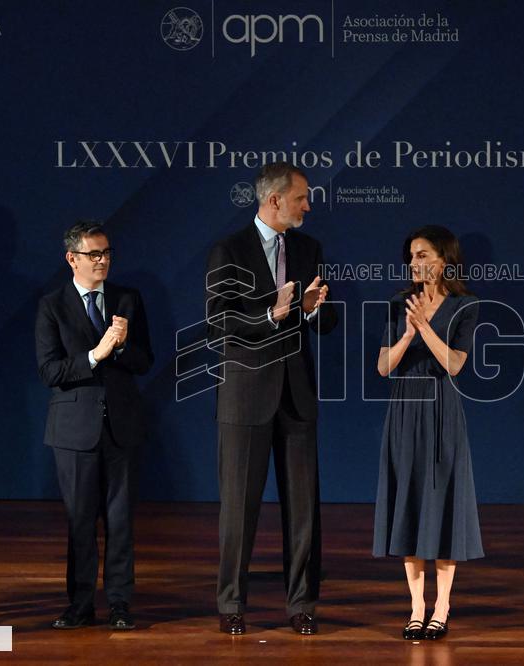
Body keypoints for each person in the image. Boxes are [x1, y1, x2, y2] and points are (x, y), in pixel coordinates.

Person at [206, 162, 337, 636]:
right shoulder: (230, 249)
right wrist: (270, 315)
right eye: (301, 198)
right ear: (275, 199)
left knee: (303, 509)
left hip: (296, 395)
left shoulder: (309, 248)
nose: (308, 206)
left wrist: (313, 311)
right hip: (245, 396)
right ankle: (231, 604)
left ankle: (302, 604)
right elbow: (217, 322)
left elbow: (326, 321)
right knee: (239, 508)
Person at [35, 221, 153, 631]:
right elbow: (49, 371)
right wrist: (94, 355)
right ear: (72, 258)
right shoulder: (52, 305)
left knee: (120, 522)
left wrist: (120, 349)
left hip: (122, 425)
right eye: (94, 254)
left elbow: (145, 360)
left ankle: (120, 603)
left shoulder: (127, 299)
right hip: (74, 429)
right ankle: (80, 604)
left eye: (106, 253)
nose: (102, 261)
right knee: (80, 521)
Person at [373, 225, 483, 641]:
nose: (414, 263)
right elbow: (383, 367)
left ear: (444, 259)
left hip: (442, 409)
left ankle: (442, 606)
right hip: (405, 408)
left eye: (423, 255)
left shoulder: (465, 305)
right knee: (410, 499)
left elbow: (454, 364)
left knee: (443, 501)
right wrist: (407, 332)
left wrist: (425, 328)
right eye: (412, 256)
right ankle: (417, 606)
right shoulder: (398, 303)